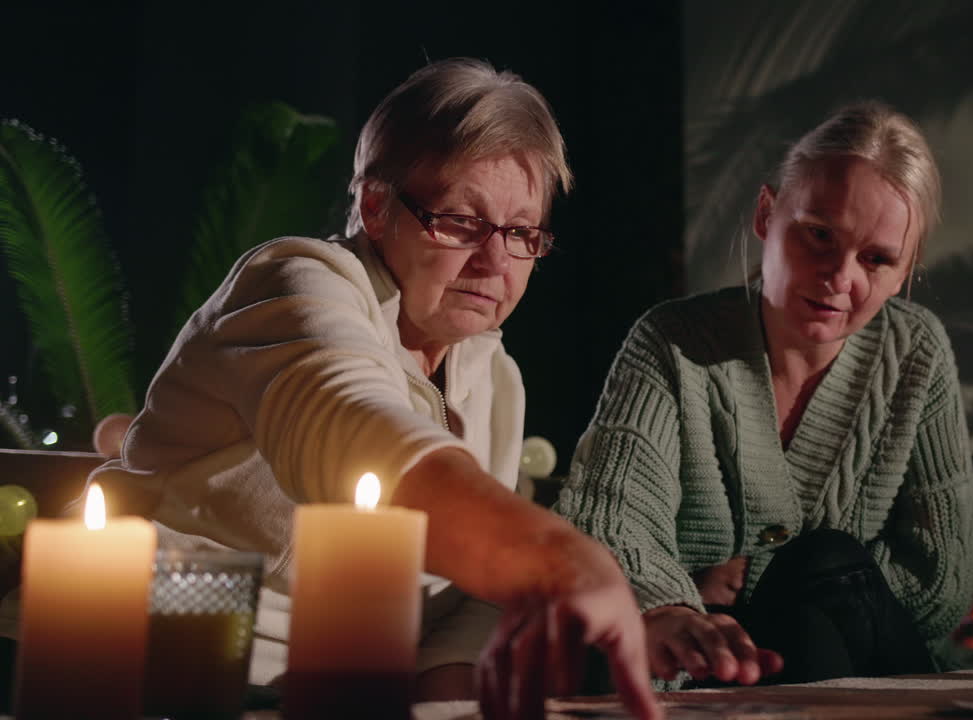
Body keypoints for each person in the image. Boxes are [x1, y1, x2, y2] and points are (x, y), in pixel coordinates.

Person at [86, 59, 660, 719]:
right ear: (375, 207)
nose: (496, 262)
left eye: (522, 233)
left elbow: (459, 600)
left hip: (355, 692)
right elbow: (356, 429)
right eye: (461, 223)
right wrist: (557, 557)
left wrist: (452, 697)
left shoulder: (493, 375)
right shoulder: (298, 282)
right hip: (157, 676)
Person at [556, 101, 973, 688]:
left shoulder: (917, 352)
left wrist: (759, 584)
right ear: (766, 214)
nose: (840, 276)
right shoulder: (673, 344)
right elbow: (607, 520)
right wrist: (682, 604)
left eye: (877, 259)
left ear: (906, 270)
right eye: (819, 235)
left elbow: (942, 580)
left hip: (868, 667)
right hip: (705, 673)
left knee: (826, 562)